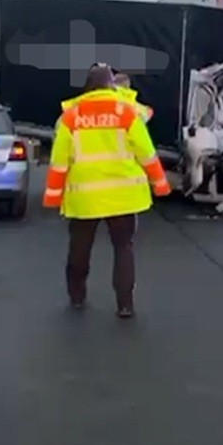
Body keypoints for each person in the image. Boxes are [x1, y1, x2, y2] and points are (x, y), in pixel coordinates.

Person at [43, 63, 171, 317]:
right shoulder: (127, 113)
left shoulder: (72, 117)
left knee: (79, 249)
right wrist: (160, 185)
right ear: (111, 85)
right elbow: (146, 153)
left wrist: (53, 197)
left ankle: (77, 297)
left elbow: (59, 161)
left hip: (84, 197)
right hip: (124, 195)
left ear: (88, 87)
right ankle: (125, 304)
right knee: (123, 248)